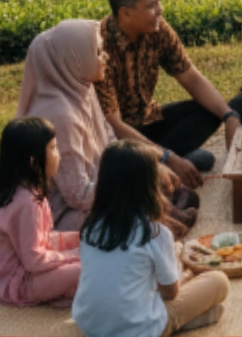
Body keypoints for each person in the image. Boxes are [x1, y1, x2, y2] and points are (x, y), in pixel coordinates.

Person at [17, 19, 198, 237]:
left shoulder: (82, 90)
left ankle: (158, 214)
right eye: (98, 52)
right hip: (67, 213)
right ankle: (156, 221)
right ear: (74, 59)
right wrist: (137, 178)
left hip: (100, 187)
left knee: (167, 188)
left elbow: (111, 142)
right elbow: (79, 197)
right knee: (140, 210)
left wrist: (148, 162)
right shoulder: (59, 116)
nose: (106, 57)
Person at [73, 141, 230, 337]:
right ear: (149, 186)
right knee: (219, 281)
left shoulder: (91, 227)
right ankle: (183, 321)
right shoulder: (155, 233)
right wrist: (184, 277)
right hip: (140, 333)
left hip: (91, 328)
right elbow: (170, 293)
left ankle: (186, 317)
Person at [94, 0, 241, 184]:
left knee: (209, 111)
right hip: (118, 138)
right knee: (190, 159)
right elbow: (113, 125)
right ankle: (159, 165)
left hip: (150, 121)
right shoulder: (99, 46)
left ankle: (154, 165)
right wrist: (168, 157)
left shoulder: (158, 29)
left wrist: (229, 115)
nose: (160, 10)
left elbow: (190, 76)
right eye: (152, 6)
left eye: (159, 2)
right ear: (126, 13)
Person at [0, 117, 81, 307]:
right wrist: (73, 255)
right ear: (34, 162)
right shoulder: (27, 202)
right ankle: (61, 295)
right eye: (53, 149)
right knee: (85, 270)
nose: (58, 155)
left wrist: (78, 239)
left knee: (84, 254)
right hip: (16, 286)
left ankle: (64, 295)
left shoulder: (20, 190)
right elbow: (34, 260)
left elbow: (41, 240)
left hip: (19, 275)